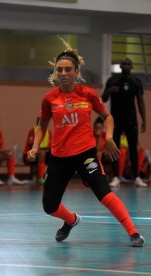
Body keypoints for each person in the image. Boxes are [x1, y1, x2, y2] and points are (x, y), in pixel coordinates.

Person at [27, 40, 144, 247]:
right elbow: (42, 126)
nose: (63, 73)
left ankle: (133, 233)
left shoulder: (87, 94)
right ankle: (71, 220)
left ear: (76, 71)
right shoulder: (49, 99)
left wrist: (108, 138)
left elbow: (108, 117)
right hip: (59, 158)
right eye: (59, 69)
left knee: (104, 192)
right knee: (49, 206)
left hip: (85, 153)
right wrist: (36, 146)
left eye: (67, 69)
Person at [102, 58, 147, 188]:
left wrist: (144, 120)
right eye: (124, 64)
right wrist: (109, 91)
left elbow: (140, 101)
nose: (126, 66)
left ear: (131, 66)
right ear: (120, 66)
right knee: (115, 148)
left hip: (131, 119)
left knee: (133, 148)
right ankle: (116, 177)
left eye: (128, 64)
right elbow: (103, 99)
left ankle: (137, 177)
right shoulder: (112, 80)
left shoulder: (136, 81)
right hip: (116, 119)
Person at [23, 117, 52, 184]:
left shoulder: (49, 131)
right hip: (31, 156)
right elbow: (31, 145)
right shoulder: (32, 130)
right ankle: (40, 178)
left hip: (46, 154)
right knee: (41, 153)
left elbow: (50, 145)